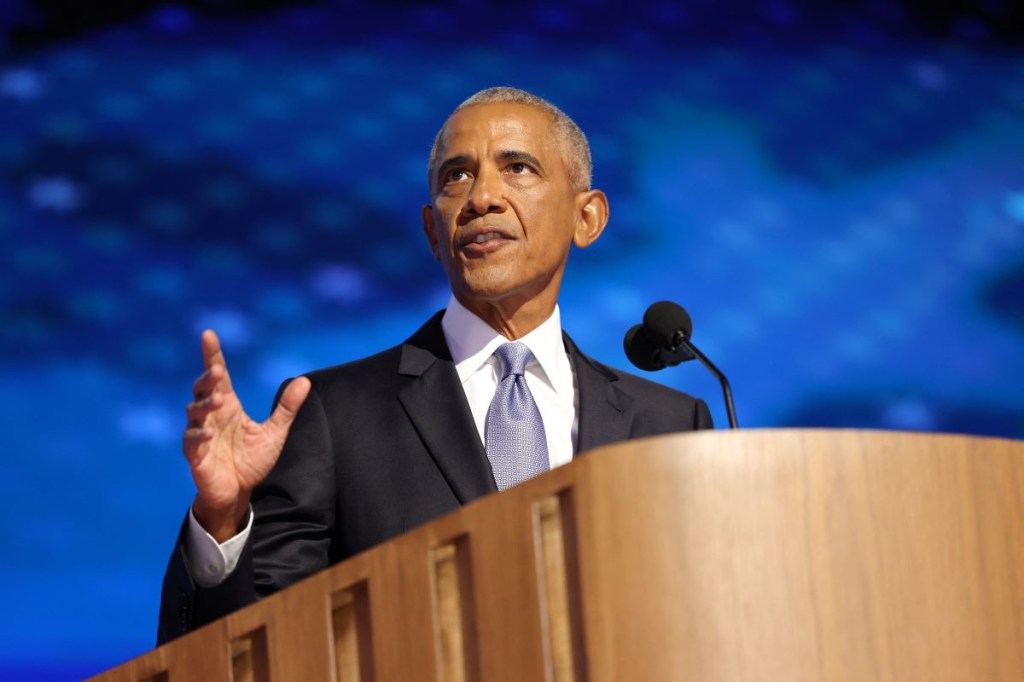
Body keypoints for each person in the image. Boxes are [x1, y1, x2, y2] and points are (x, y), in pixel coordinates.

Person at [158, 86, 713, 643]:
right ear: (432, 231)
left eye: (517, 167)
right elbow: (257, 649)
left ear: (586, 217)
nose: (482, 198)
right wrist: (224, 522)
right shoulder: (333, 415)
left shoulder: (668, 426)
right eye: (457, 176)